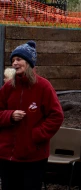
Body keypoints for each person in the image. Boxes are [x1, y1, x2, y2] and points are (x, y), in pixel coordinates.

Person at [0, 40, 64, 190]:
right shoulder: (8, 87)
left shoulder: (43, 86)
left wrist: (35, 135)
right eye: (13, 60)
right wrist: (9, 116)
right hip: (7, 155)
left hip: (33, 157)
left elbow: (56, 116)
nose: (15, 63)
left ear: (29, 62)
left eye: (19, 59)